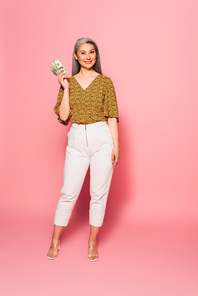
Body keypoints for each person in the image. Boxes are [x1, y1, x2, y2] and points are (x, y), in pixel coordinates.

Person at [47, 37, 120, 261]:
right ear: (76, 56)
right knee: (68, 192)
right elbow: (64, 116)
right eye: (83, 52)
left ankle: (92, 243)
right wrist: (65, 88)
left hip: (102, 137)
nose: (88, 56)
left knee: (98, 194)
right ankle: (55, 239)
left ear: (96, 56)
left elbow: (112, 116)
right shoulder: (68, 82)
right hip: (77, 137)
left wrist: (116, 145)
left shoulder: (105, 82)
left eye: (92, 52)